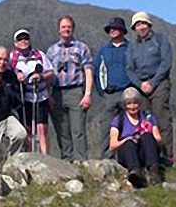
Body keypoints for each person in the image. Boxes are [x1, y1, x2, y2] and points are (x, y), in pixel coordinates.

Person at [126, 11, 174, 165]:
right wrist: (140, 84)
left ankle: (166, 158)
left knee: (161, 117)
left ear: (149, 24)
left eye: (143, 23)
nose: (141, 27)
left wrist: (153, 82)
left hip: (159, 84)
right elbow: (129, 69)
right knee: (145, 123)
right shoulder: (133, 47)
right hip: (141, 87)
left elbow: (166, 63)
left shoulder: (161, 40)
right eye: (137, 25)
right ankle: (150, 158)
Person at [47, 15, 94, 162]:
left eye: (69, 27)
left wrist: (87, 94)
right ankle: (66, 161)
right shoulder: (52, 50)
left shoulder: (81, 48)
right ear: (59, 30)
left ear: (73, 29)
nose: (66, 29)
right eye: (63, 27)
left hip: (76, 91)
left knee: (78, 129)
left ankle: (81, 161)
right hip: (56, 92)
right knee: (62, 130)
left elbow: (88, 71)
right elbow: (48, 74)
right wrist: (48, 95)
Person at [9, 29, 54, 154]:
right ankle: (30, 155)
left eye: (26, 38)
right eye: (20, 39)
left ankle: (45, 157)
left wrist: (41, 77)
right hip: (23, 98)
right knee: (27, 129)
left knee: (41, 128)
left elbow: (50, 72)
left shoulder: (39, 55)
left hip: (40, 96)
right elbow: (6, 74)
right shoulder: (12, 58)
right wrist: (16, 76)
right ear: (15, 43)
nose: (23, 41)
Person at [109, 87, 161, 188]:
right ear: (125, 105)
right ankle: (135, 172)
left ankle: (154, 171)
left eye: (135, 103)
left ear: (139, 104)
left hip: (144, 152)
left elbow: (158, 139)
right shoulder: (118, 120)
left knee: (147, 136)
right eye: (129, 103)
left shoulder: (147, 118)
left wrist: (147, 131)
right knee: (129, 143)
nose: (132, 106)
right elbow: (112, 145)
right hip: (127, 154)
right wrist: (127, 139)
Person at [94, 17, 131, 159]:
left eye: (116, 28)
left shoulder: (130, 48)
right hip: (110, 94)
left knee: (129, 126)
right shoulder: (104, 50)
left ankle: (129, 159)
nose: (112, 30)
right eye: (110, 28)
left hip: (128, 93)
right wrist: (102, 90)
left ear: (122, 31)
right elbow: (98, 71)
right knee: (107, 127)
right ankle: (107, 159)